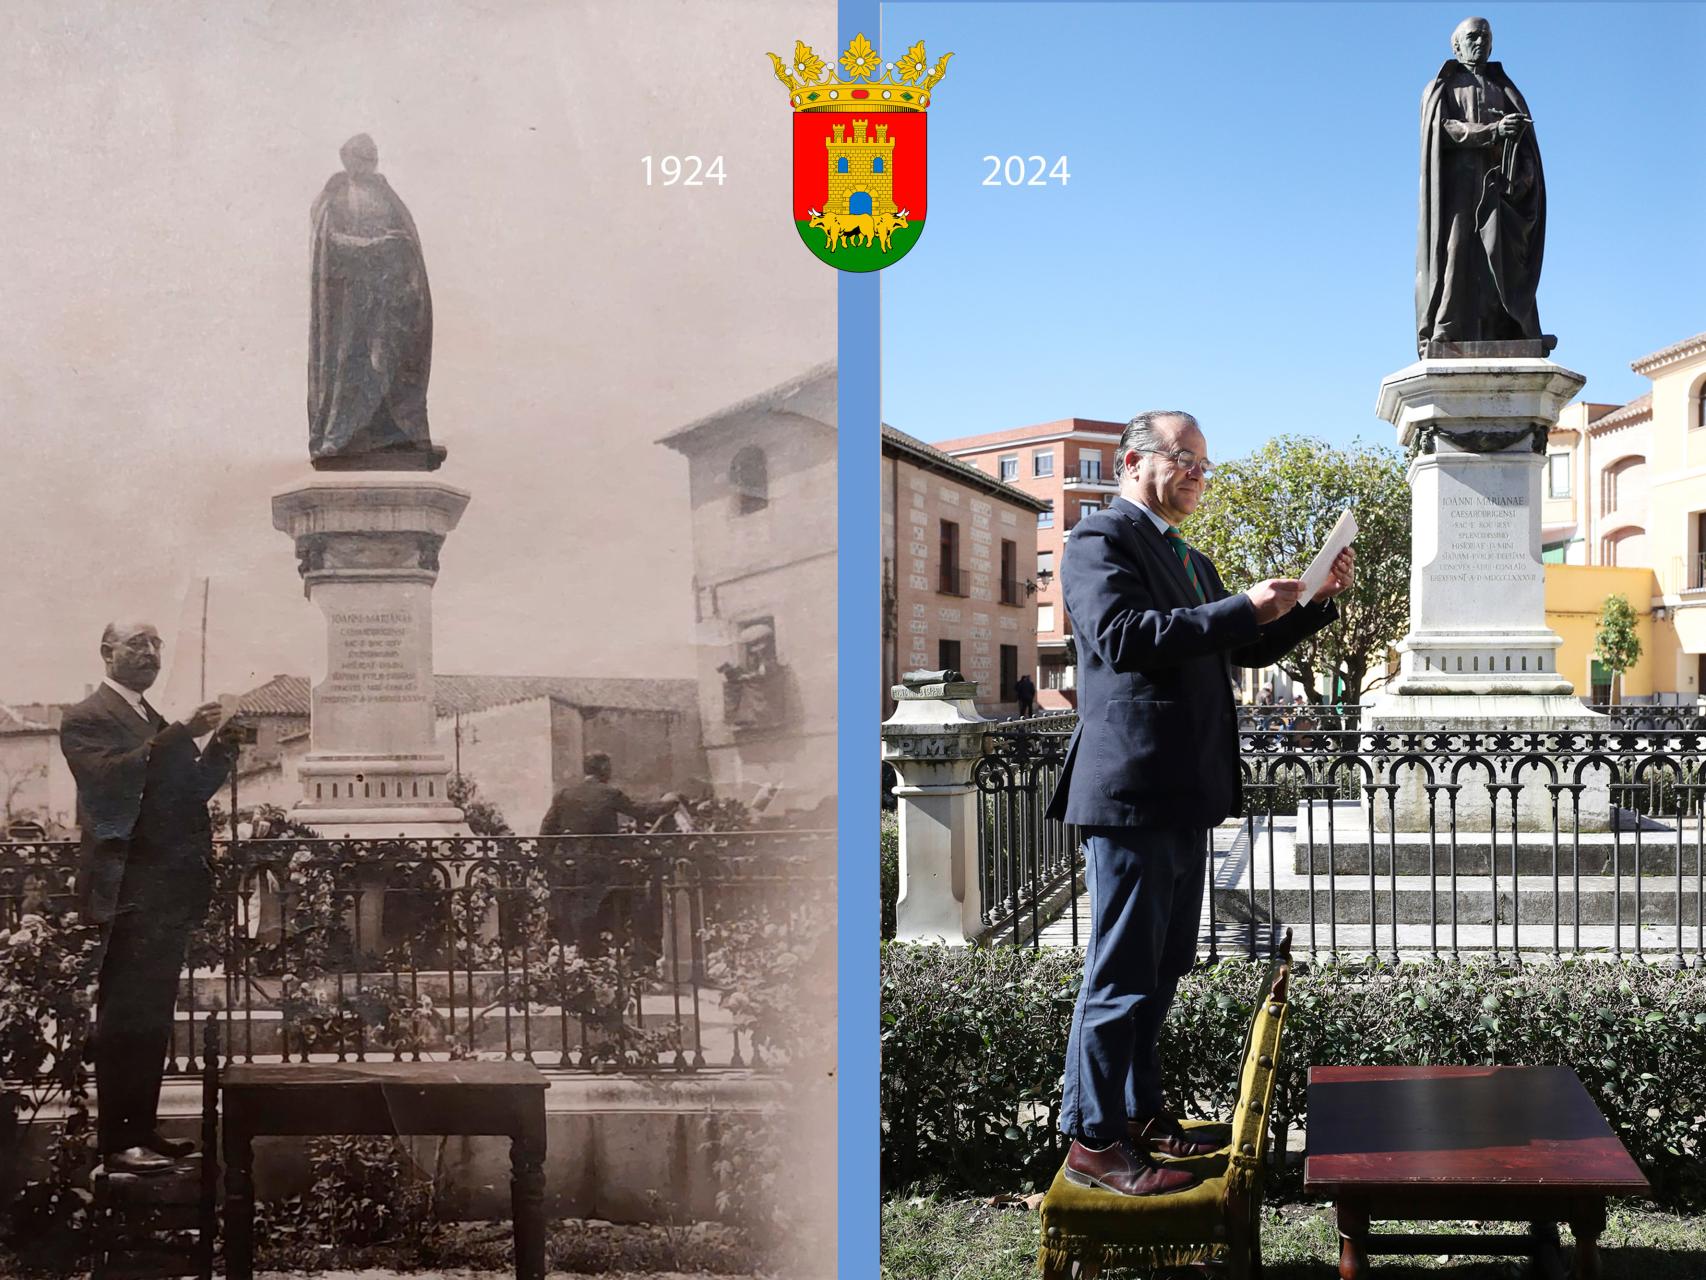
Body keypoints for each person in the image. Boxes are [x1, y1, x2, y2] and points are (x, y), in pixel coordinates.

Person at [1045, 411, 1353, 1197]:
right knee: (1120, 972)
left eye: (1203, 465)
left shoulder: (1188, 555)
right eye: (1187, 459)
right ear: (1135, 461)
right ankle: (1091, 1139)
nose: (1197, 474)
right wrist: (1243, 605)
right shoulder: (1099, 540)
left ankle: (1138, 1115)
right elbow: (1123, 634)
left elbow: (1237, 645)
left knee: (1163, 966)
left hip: (1182, 791)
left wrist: (1311, 601)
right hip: (1131, 791)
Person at [60, 622, 242, 1175]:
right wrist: (182, 733)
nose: (150, 652)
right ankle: (116, 1142)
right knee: (124, 1017)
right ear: (106, 651)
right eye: (137, 643)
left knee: (152, 1017)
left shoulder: (148, 719)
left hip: (160, 889)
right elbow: (113, 782)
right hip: (125, 889)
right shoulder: (85, 717)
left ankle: (141, 1132)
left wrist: (223, 750)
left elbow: (183, 792)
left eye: (157, 644)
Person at [1416, 17, 1546, 354]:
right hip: (1457, 189)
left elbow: (1526, 144)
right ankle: (1446, 330)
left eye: (1486, 37)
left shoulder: (1504, 89)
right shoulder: (1442, 88)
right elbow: (1442, 130)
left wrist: (1522, 167)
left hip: (1498, 187)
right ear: (1456, 46)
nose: (1480, 42)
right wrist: (1492, 131)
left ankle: (1515, 329)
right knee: (1456, 251)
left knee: (1503, 258)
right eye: (1472, 36)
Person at [308, 133, 436, 465]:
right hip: (350, 302)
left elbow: (406, 240)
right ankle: (342, 436)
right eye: (361, 156)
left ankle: (399, 434)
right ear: (345, 158)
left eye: (372, 156)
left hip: (389, 298)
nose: (368, 162)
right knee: (353, 364)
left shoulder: (386, 195)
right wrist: (373, 246)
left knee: (392, 363)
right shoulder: (334, 196)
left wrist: (399, 252)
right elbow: (330, 243)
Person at [538, 753, 677, 957]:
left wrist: (549, 863)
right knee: (617, 908)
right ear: (602, 768)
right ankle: (606, 959)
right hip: (601, 866)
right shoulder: (609, 794)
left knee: (578, 915)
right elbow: (641, 811)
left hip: (571, 867)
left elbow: (546, 832)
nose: (611, 772)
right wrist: (668, 803)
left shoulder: (565, 795)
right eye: (609, 767)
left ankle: (580, 962)